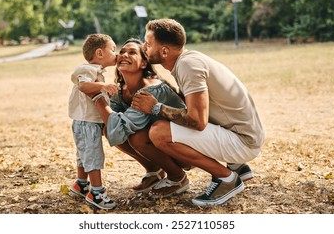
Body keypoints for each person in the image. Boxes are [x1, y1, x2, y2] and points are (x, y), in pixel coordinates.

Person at [131, 18, 265, 206]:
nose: (144, 47)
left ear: (164, 51)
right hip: (242, 133)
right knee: (164, 126)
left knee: (159, 132)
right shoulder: (187, 60)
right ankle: (238, 167)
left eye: (148, 43)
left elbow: (197, 121)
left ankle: (227, 179)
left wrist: (155, 107)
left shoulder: (188, 66)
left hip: (244, 142)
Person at [92, 38, 189, 197]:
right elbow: (111, 126)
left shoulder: (150, 89)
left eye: (132, 52)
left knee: (136, 137)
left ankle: (178, 177)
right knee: (109, 129)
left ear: (144, 64)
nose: (124, 55)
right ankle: (154, 171)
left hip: (186, 143)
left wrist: (97, 97)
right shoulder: (121, 90)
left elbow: (119, 127)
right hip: (161, 140)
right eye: (122, 52)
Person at [68, 33, 119, 210]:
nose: (116, 53)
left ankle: (81, 184)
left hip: (87, 121)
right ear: (99, 53)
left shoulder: (96, 71)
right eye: (113, 49)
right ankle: (96, 193)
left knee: (84, 154)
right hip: (86, 122)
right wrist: (103, 86)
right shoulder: (87, 69)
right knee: (93, 155)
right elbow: (83, 86)